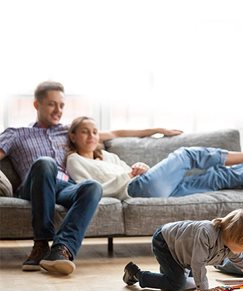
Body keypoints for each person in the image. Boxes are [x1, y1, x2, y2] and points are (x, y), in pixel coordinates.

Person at [0, 81, 182, 275]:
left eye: (61, 105)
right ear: (37, 105)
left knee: (93, 187)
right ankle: (41, 243)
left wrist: (158, 130)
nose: (58, 110)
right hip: (34, 185)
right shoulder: (16, 134)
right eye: (52, 104)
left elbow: (116, 133)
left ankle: (62, 250)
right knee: (45, 163)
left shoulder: (68, 131)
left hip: (64, 186)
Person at [65, 116, 243, 199]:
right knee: (186, 154)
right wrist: (130, 175)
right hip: (135, 189)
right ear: (73, 136)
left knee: (213, 178)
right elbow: (89, 189)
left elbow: (132, 168)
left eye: (94, 132)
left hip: (150, 185)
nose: (91, 136)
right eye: (85, 131)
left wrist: (140, 166)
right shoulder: (75, 161)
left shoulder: (107, 155)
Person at [123, 209, 243, 291]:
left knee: (186, 282)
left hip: (183, 252)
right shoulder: (206, 233)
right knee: (177, 285)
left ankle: (168, 274)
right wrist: (205, 290)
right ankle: (136, 274)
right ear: (232, 237)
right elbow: (198, 263)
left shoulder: (230, 247)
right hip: (166, 242)